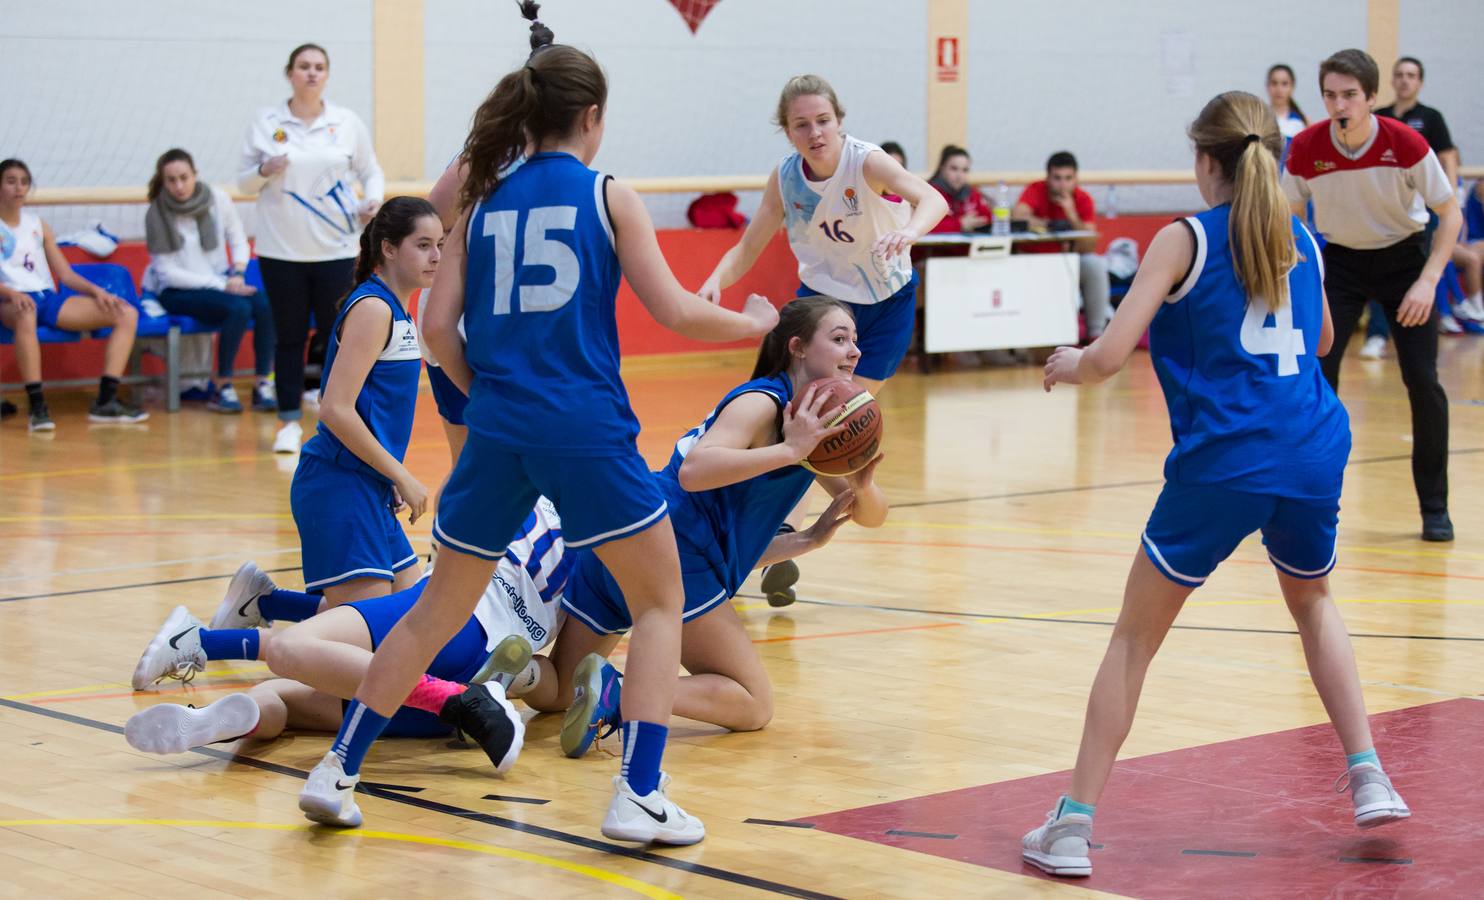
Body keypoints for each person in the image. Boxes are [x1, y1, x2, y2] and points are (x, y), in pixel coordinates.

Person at [297, 1, 778, 844]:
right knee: (660, 603)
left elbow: (440, 328)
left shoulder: (481, 208)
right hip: (585, 429)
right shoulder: (608, 194)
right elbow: (672, 310)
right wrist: (754, 324)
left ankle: (337, 770)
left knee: (433, 611)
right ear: (591, 117)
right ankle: (639, 795)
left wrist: (487, 391)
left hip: (498, 431)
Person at [1023, 90, 1409, 879]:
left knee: (1134, 638)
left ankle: (1072, 826)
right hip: (1312, 448)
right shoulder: (1299, 234)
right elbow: (1327, 338)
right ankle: (1369, 773)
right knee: (1314, 601)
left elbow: (1107, 355)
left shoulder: (1182, 239)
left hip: (1228, 457)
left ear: (1206, 162)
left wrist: (1070, 363)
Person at [531, 298, 888, 752]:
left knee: (560, 691)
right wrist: (788, 452)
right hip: (672, 550)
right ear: (797, 347)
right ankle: (619, 694)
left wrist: (843, 503)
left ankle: (515, 674)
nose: (854, 350)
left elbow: (870, 516)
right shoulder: (763, 402)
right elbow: (694, 472)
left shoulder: (811, 430)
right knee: (753, 703)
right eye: (839, 338)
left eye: (855, 340)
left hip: (628, 537)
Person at [127, 499, 569, 774]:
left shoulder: (518, 479)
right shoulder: (602, 551)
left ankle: (202, 641)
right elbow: (564, 686)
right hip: (475, 661)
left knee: (292, 648)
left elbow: (450, 518)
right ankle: (249, 714)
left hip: (443, 617)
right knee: (284, 693)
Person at [1283, 49, 1461, 542]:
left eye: (1349, 95)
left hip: (1404, 260)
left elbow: (1451, 214)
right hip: (1338, 263)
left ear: (1372, 98)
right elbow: (1291, 219)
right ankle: (1307, 498)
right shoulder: (1305, 147)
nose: (1339, 104)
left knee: (1423, 383)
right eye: (1330, 95)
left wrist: (1427, 281)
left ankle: (1434, 508)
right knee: (1316, 377)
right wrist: (1300, 281)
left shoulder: (1406, 143)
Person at [699, 74, 948, 392]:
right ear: (788, 132)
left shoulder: (867, 162)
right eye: (801, 124)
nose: (814, 133)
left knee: (846, 409)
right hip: (823, 300)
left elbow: (933, 199)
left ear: (839, 121)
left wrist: (910, 231)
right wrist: (715, 280)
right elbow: (748, 246)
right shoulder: (785, 178)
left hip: (887, 300)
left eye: (823, 120)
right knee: (787, 399)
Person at [289, 196, 438, 610]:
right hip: (339, 483)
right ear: (389, 248)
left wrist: (386, 475)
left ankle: (264, 602)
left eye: (439, 244)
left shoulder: (399, 312)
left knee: (407, 620)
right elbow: (334, 407)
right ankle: (203, 640)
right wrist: (402, 475)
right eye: (423, 245)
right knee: (368, 640)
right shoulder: (374, 308)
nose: (436, 256)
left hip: (368, 485)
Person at [238, 42, 385, 453]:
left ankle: (344, 420)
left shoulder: (346, 122)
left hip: (337, 249)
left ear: (327, 74)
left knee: (341, 337)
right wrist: (263, 170)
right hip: (281, 251)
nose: (311, 73)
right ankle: (287, 421)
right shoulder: (266, 122)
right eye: (304, 66)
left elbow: (371, 170)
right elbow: (243, 182)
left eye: (319, 67)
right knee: (288, 338)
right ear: (290, 73)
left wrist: (372, 200)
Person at [0, 159, 147, 428]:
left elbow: (65, 274)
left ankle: (105, 401)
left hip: (45, 297)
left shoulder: (38, 225)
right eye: (11, 181)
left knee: (125, 313)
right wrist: (10, 292)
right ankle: (37, 406)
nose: (18, 188)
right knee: (26, 314)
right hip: (9, 300)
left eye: (24, 182)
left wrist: (97, 291)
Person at [143, 148, 275, 413]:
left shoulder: (217, 199)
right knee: (237, 308)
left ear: (195, 175)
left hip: (222, 282)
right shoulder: (156, 213)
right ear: (163, 181)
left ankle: (263, 383)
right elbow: (167, 272)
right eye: (171, 180)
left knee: (264, 304)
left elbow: (238, 237)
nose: (179, 186)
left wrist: (238, 272)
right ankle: (223, 386)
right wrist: (224, 285)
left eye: (184, 177)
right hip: (177, 291)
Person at [1375, 56, 1482, 324]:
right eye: (1399, 74)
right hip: (1385, 207)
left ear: (1420, 82)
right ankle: (1380, 331)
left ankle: (1436, 315)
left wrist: (1453, 193)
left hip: (1423, 206)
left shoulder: (1431, 117)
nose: (1404, 80)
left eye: (1411, 75)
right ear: (1392, 80)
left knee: (1426, 259)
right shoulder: (1380, 117)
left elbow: (1447, 157)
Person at [1013, 152, 1114, 340]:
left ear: (1076, 178)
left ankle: (1096, 333)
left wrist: (1071, 214)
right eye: (1057, 178)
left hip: (1066, 261)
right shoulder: (1035, 190)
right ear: (1048, 177)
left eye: (1068, 179)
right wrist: (1049, 224)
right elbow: (1018, 216)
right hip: (1034, 260)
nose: (1062, 184)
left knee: (1095, 264)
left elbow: (1089, 244)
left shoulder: (1082, 199)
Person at [927, 145, 991, 233]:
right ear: (942, 168)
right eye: (954, 168)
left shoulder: (972, 193)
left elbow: (988, 218)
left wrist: (975, 222)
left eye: (965, 170)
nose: (959, 175)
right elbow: (925, 225)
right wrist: (960, 224)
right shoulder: (929, 193)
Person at [1266, 63, 1309, 159]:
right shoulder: (1259, 118)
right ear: (1267, 86)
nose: (1279, 89)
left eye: (1284, 84)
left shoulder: (1303, 121)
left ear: (1292, 87)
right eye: (1274, 83)